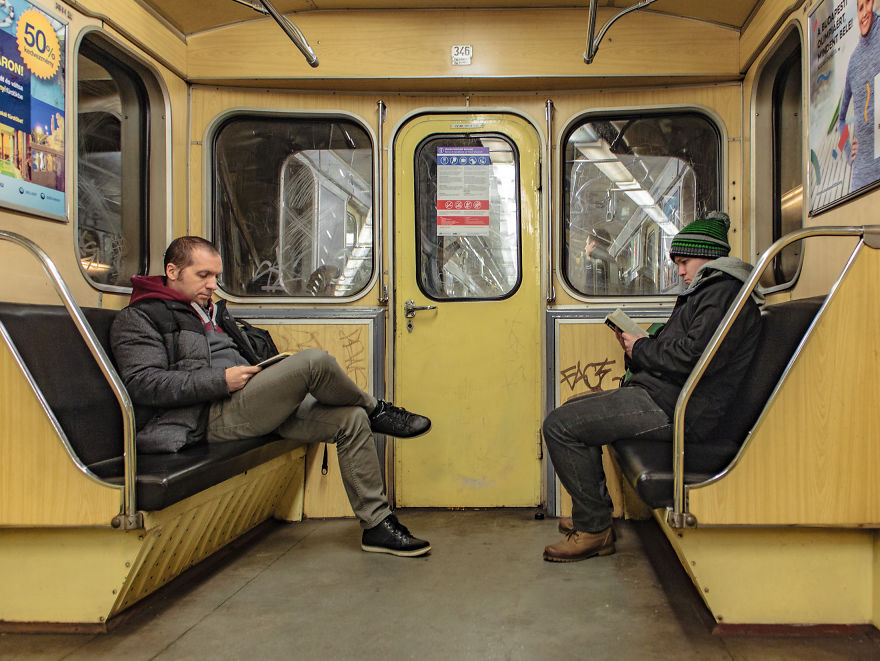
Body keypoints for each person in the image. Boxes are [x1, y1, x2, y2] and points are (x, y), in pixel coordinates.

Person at [111, 236, 432, 557]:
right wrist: (221, 381)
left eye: (216, 277)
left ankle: (376, 526)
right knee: (314, 362)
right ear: (172, 270)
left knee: (351, 419)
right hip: (204, 416)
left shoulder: (211, 312)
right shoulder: (140, 317)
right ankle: (378, 410)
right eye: (203, 275)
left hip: (249, 401)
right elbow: (143, 383)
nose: (213, 285)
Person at [541, 212, 762, 562]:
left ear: (710, 256)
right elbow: (685, 350)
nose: (680, 271)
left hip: (684, 409)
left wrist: (641, 348)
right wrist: (642, 344)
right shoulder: (708, 291)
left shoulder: (721, 293)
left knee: (560, 425)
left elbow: (692, 358)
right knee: (573, 408)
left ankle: (595, 529)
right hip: (669, 396)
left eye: (685, 262)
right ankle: (592, 514)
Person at [839, 0, 880, 192]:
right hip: (861, 177)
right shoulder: (854, 60)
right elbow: (841, 119)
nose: (864, 13)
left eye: (867, 5)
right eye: (860, 8)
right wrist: (848, 151)